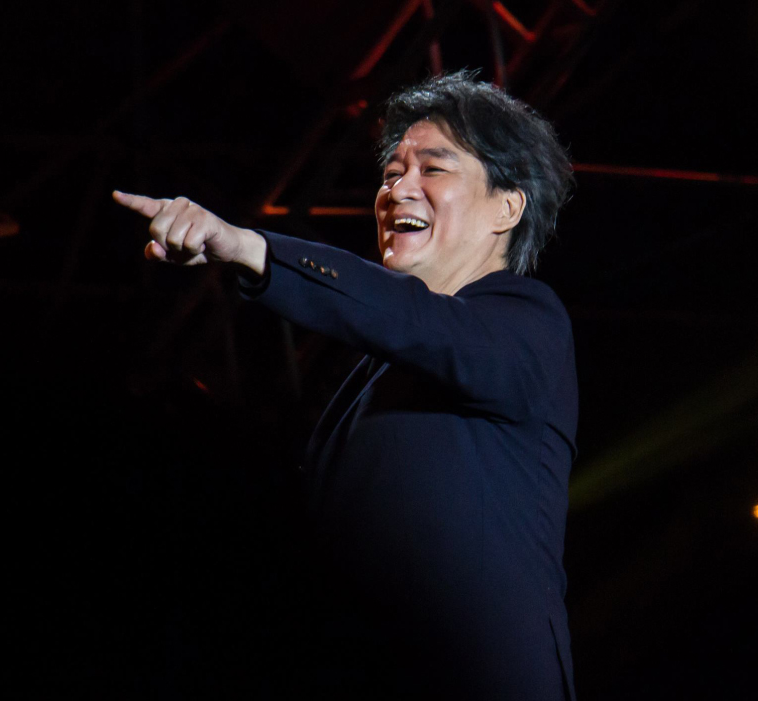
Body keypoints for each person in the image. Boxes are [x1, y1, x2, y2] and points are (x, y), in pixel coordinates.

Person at [114, 71, 578, 700]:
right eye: (391, 174)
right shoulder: (375, 369)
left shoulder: (526, 323)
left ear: (507, 206)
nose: (396, 189)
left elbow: (419, 323)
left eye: (432, 169)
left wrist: (250, 247)